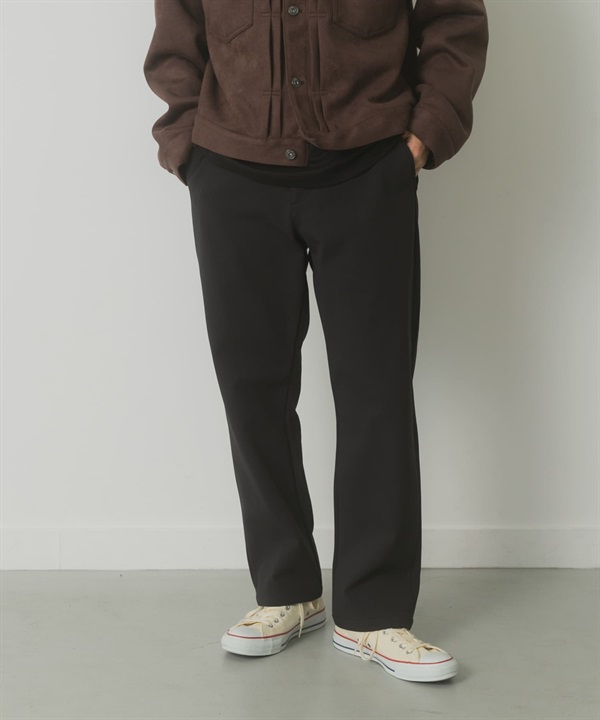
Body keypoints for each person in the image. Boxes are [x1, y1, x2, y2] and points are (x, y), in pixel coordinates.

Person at [143, 0, 489, 683]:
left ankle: (374, 611)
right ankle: (286, 589)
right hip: (232, 169)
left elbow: (455, 21)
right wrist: (187, 143)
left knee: (376, 391)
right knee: (253, 389)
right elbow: (178, 28)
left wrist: (424, 136)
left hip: (368, 166)